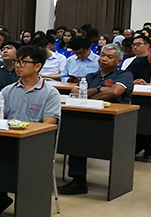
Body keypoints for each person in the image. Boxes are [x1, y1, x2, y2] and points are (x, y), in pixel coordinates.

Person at [0, 45, 62, 217]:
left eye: (24, 62)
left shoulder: (51, 94)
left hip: (34, 146)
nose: (18, 65)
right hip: (7, 142)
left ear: (38, 66)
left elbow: (47, 126)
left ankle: (29, 209)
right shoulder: (7, 91)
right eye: (17, 61)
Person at [57, 43, 136, 194]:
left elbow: (114, 92)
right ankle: (78, 180)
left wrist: (88, 94)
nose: (104, 59)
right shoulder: (91, 76)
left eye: (109, 57)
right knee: (75, 134)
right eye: (102, 55)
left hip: (113, 122)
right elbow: (75, 92)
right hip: (87, 118)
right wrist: (99, 89)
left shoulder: (124, 75)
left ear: (119, 61)